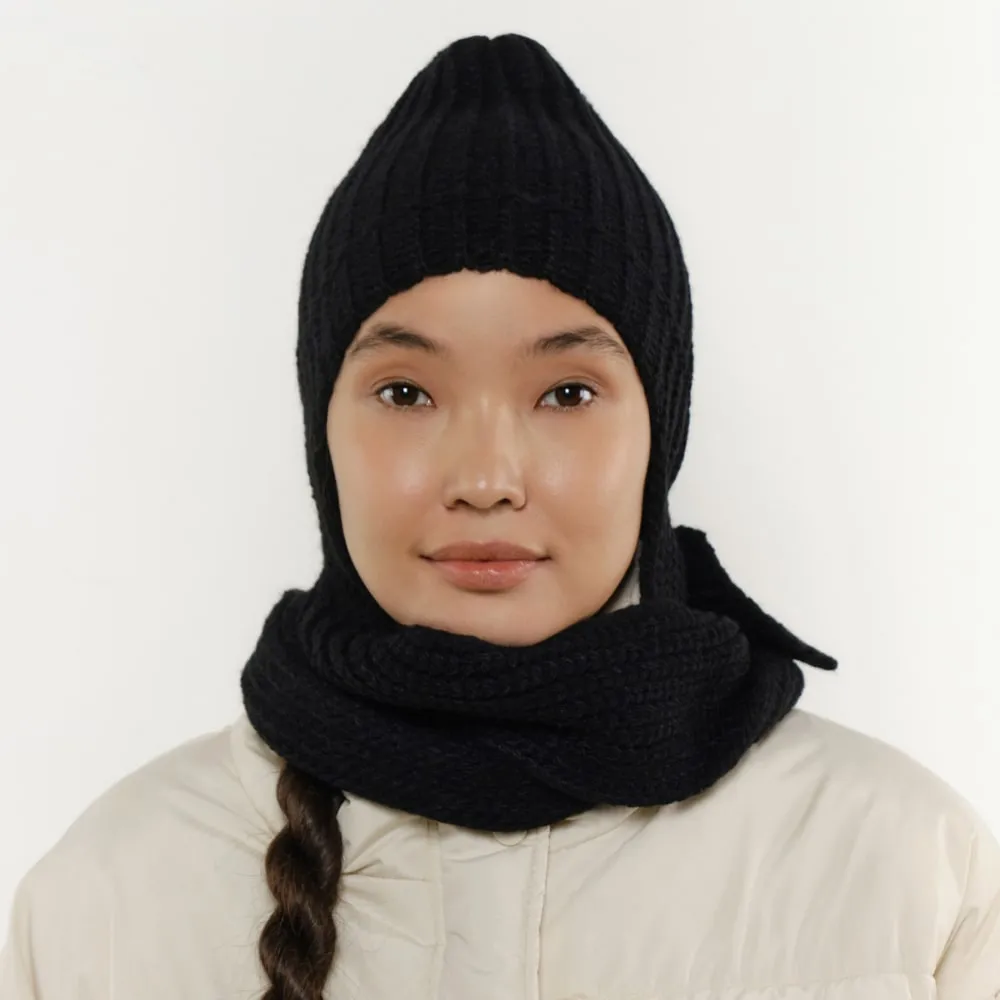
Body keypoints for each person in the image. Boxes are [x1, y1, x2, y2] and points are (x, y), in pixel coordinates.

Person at [2, 31, 998, 1000]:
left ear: (659, 429)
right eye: (405, 393)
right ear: (322, 431)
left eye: (566, 393)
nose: (485, 478)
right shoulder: (103, 905)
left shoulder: (905, 872)